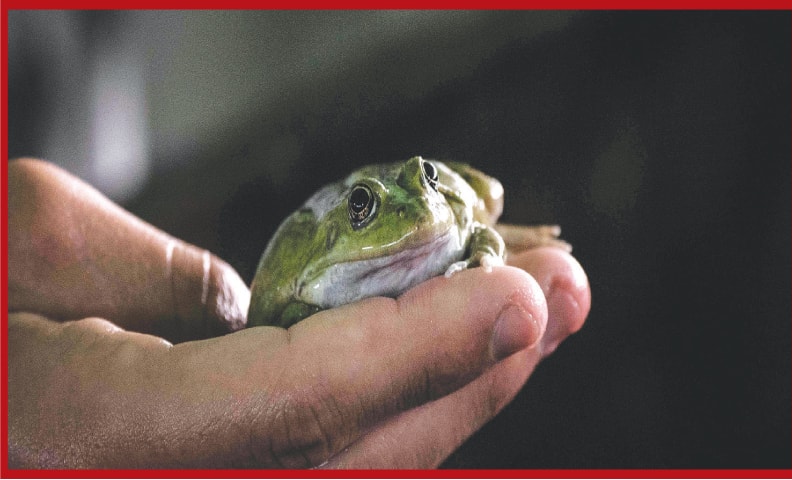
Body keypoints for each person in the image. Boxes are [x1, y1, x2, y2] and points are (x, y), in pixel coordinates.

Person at [7, 158, 591, 469]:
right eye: (365, 208)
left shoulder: (443, 211)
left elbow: (472, 226)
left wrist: (488, 243)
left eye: (428, 184)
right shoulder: (310, 271)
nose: (423, 209)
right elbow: (267, 320)